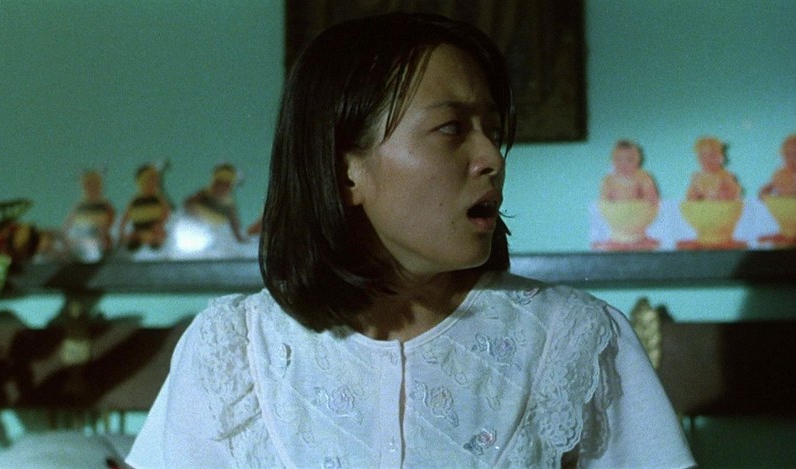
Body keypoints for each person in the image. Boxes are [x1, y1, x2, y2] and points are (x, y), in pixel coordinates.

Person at [127, 13, 694, 468]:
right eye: (451, 129)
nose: (492, 158)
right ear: (346, 172)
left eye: (494, 131)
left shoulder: (577, 340)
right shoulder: (231, 350)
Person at [183, 163, 249, 243]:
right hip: (196, 226)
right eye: (218, 183)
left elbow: (234, 223)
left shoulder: (228, 204)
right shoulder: (204, 194)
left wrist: (239, 237)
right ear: (213, 183)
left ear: (230, 188)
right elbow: (186, 204)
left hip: (213, 230)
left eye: (226, 185)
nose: (221, 187)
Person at [118, 164, 172, 251]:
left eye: (153, 180)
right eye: (148, 180)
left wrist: (160, 224)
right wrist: (122, 232)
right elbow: (125, 217)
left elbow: (166, 212)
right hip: (143, 228)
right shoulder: (136, 200)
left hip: (153, 227)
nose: (150, 184)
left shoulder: (158, 199)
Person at [600, 140, 659, 204]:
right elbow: (603, 201)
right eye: (618, 159)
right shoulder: (609, 180)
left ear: (638, 161)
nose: (623, 164)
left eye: (629, 160)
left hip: (639, 209)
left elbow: (652, 199)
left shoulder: (643, 178)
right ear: (612, 160)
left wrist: (646, 201)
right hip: (615, 209)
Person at [685, 136, 741, 201]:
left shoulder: (725, 176)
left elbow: (735, 193)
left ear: (721, 158)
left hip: (722, 206)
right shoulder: (697, 178)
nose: (707, 160)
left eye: (712, 156)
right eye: (703, 156)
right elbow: (689, 197)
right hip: (703, 207)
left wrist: (725, 193)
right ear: (698, 159)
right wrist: (694, 195)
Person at [758, 133, 796, 198]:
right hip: (782, 203)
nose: (791, 159)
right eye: (787, 154)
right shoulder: (781, 174)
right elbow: (771, 186)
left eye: (795, 154)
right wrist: (766, 190)